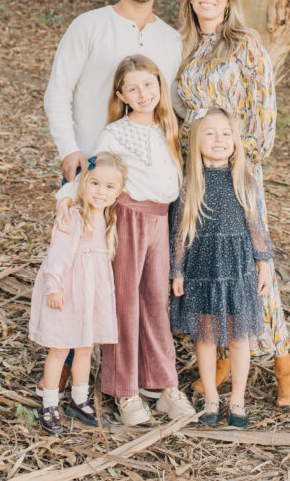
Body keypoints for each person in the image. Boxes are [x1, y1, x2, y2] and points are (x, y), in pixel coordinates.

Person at [176, 0, 290, 407]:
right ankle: (228, 353)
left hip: (238, 173)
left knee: (252, 265)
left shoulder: (246, 47)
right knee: (213, 264)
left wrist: (237, 166)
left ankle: (282, 360)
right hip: (197, 177)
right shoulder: (187, 52)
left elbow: (263, 119)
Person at [56, 55, 194, 426]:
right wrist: (66, 197)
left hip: (160, 220)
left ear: (160, 87)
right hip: (129, 218)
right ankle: (123, 390)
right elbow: (91, 172)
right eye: (133, 88)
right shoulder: (115, 133)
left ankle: (162, 385)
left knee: (155, 301)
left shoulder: (169, 128)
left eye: (149, 85)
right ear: (121, 94)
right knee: (124, 302)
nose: (143, 93)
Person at [44, 0, 182, 183]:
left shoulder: (172, 41)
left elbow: (170, 109)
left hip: (147, 179)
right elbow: (58, 89)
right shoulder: (88, 26)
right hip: (91, 166)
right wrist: (68, 149)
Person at [171, 108, 273, 428]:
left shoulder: (243, 178)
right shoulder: (190, 184)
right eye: (210, 133)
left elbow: (257, 226)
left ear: (235, 141)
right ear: (196, 140)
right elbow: (181, 233)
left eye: (226, 134)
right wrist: (177, 270)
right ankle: (212, 397)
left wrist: (264, 265)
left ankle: (238, 400)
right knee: (206, 335)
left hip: (239, 267)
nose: (219, 140)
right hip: (203, 267)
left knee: (239, 337)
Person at [29, 152, 127, 434]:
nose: (101, 192)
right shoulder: (74, 215)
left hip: (91, 294)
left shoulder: (108, 219)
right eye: (95, 183)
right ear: (83, 183)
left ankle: (79, 400)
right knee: (60, 348)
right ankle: (49, 404)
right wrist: (54, 286)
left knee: (85, 347)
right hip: (69, 292)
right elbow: (58, 255)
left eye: (110, 187)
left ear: (118, 192)